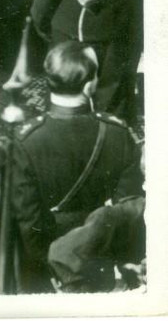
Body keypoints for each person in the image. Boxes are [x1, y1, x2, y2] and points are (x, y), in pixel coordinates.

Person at [10, 40, 141, 292]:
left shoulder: (26, 141)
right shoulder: (117, 133)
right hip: (98, 256)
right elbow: (127, 211)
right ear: (89, 86)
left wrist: (54, 269)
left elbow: (27, 223)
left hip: (50, 264)